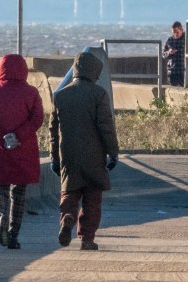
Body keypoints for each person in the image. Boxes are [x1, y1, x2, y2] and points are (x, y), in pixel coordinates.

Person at [50, 51, 119, 251]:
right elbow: (106, 127)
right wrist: (113, 152)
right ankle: (87, 238)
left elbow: (53, 131)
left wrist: (54, 158)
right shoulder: (98, 94)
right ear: (94, 72)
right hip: (94, 156)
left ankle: (68, 217)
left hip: (68, 155)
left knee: (70, 193)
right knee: (92, 199)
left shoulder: (60, 96)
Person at [0, 53, 44, 250]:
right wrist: (18, 136)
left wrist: (2, 138)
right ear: (24, 69)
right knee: (19, 193)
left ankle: (1, 218)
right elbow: (37, 119)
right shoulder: (31, 93)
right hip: (23, 149)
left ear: (1, 69)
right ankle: (14, 235)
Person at [163, 21, 185, 87]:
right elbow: (163, 54)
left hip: (183, 71)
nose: (175, 34)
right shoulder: (169, 40)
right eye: (173, 32)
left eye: (177, 32)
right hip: (172, 71)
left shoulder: (187, 40)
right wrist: (169, 52)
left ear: (181, 30)